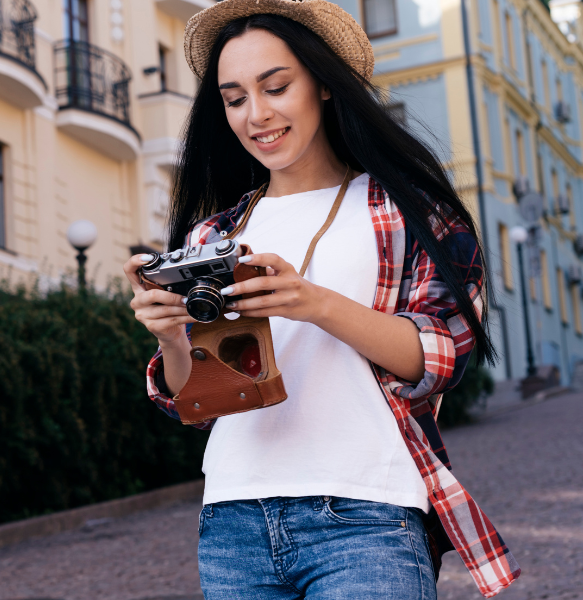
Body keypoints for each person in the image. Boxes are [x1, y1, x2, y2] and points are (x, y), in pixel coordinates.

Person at [121, 1, 521, 598]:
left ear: (324, 84)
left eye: (275, 87)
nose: (256, 115)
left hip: (368, 515)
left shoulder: (403, 211)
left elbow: (441, 358)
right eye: (234, 99)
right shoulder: (213, 237)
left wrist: (312, 302)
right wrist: (170, 337)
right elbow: (198, 402)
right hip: (234, 519)